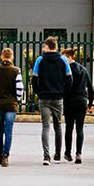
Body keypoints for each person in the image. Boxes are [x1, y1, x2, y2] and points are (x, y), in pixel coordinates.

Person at [30, 36, 72, 165]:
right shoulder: (63, 60)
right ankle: (58, 155)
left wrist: (39, 92)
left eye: (44, 46)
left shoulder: (40, 60)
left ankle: (46, 156)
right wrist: (63, 92)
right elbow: (69, 79)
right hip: (58, 97)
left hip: (44, 97)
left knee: (45, 126)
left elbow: (34, 79)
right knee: (58, 125)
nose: (43, 48)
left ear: (48, 46)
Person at [0, 47, 24, 166]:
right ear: (12, 57)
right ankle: (6, 156)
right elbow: (20, 89)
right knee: (8, 131)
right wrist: (16, 99)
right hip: (11, 105)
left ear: (1, 57)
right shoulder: (16, 71)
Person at [62, 48, 93, 164]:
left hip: (69, 101)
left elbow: (64, 86)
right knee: (79, 128)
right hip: (82, 100)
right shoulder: (84, 70)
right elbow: (90, 88)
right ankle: (78, 153)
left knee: (69, 128)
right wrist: (90, 103)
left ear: (70, 57)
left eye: (64, 57)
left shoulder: (66, 70)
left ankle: (68, 153)